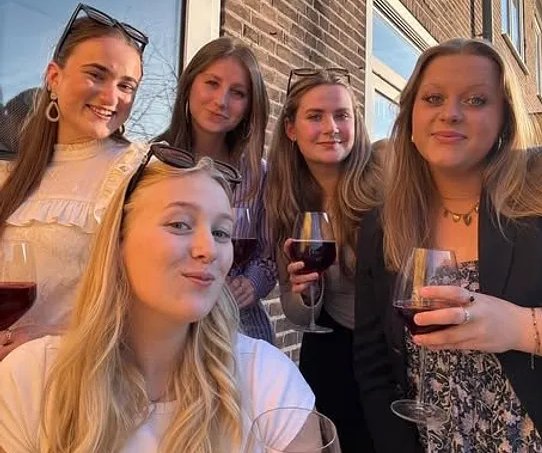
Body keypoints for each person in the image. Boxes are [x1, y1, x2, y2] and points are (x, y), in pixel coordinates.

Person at [0, 145, 315, 453]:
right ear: (119, 240)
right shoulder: (31, 379)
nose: (208, 250)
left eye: (221, 232)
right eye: (179, 224)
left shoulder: (267, 382)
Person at [354, 38, 542, 452]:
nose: (451, 113)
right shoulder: (382, 226)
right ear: (410, 118)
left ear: (505, 121)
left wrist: (524, 327)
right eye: (433, 98)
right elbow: (374, 365)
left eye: (476, 100)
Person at [0, 3, 149, 360]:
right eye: (96, 75)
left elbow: (157, 308)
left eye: (126, 86)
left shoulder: (139, 172)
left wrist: (60, 340)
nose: (111, 97)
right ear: (54, 77)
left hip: (76, 377)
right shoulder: (13, 173)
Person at [265, 68, 385, 453]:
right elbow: (297, 315)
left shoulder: (386, 174)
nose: (331, 128)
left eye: (341, 115)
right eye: (315, 116)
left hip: (393, 347)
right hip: (332, 349)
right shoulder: (285, 200)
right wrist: (307, 294)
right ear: (291, 129)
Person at [157, 37, 277, 343]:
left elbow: (267, 256)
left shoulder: (259, 174)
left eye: (238, 93)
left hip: (237, 327)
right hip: (163, 327)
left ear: (249, 106)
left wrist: (252, 284)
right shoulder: (154, 162)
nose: (221, 100)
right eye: (212, 83)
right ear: (190, 84)